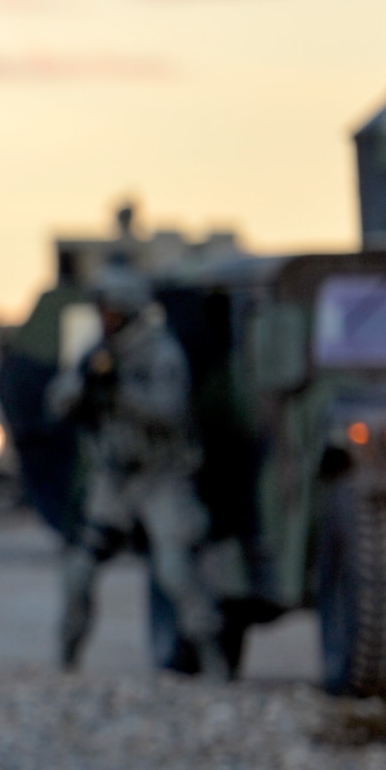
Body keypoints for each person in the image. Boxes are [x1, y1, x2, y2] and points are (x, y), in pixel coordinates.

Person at [47, 266, 225, 678]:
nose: (105, 316)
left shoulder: (159, 353)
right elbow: (59, 400)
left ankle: (214, 660)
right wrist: (85, 388)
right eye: (101, 309)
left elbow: (170, 412)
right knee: (79, 571)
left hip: (161, 478)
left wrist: (122, 392)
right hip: (113, 481)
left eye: (111, 309)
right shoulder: (98, 354)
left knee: (177, 570)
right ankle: (66, 659)